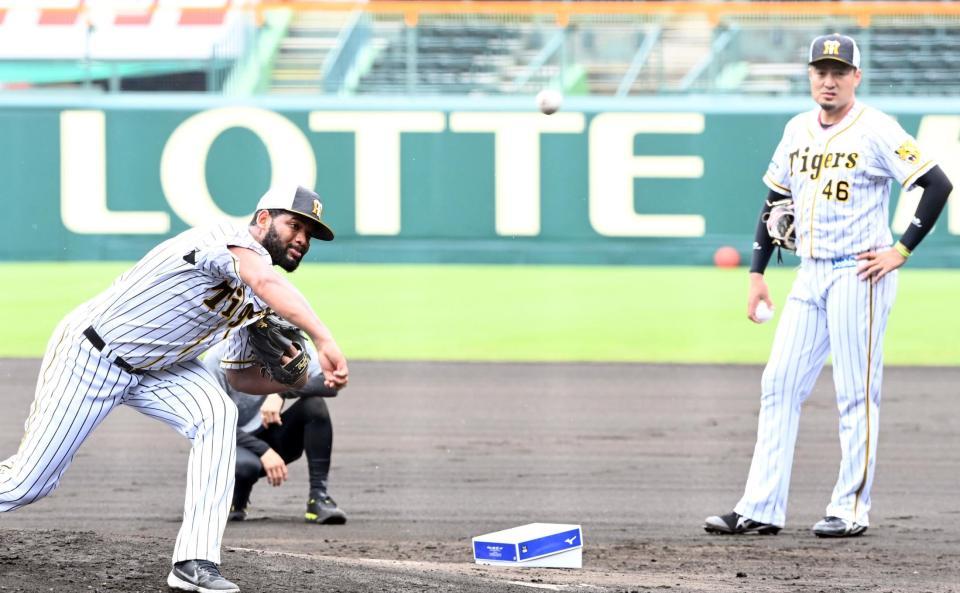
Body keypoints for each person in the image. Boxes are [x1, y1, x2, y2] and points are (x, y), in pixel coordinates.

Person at [0, 184, 349, 593]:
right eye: (296, 225)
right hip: (94, 354)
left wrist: (288, 380)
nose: (303, 240)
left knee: (218, 414)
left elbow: (239, 377)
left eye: (310, 234)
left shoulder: (263, 300)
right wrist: (323, 338)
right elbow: (262, 279)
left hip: (163, 367)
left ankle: (194, 562)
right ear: (263, 219)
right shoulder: (225, 239)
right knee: (29, 482)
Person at [704, 33, 952, 538]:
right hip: (809, 273)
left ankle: (850, 509)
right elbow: (775, 200)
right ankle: (760, 507)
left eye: (839, 72)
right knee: (778, 384)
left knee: (855, 392)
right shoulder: (797, 129)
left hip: (859, 274)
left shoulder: (877, 129)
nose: (829, 80)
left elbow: (937, 183)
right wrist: (756, 273)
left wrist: (900, 250)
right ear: (810, 77)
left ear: (856, 78)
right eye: (821, 71)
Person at [201, 339, 348, 525]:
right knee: (246, 467)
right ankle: (233, 501)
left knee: (314, 406)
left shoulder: (289, 341)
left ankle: (318, 499)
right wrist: (263, 450)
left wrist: (281, 393)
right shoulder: (217, 359)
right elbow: (212, 424)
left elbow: (328, 383)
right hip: (228, 441)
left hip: (269, 430)